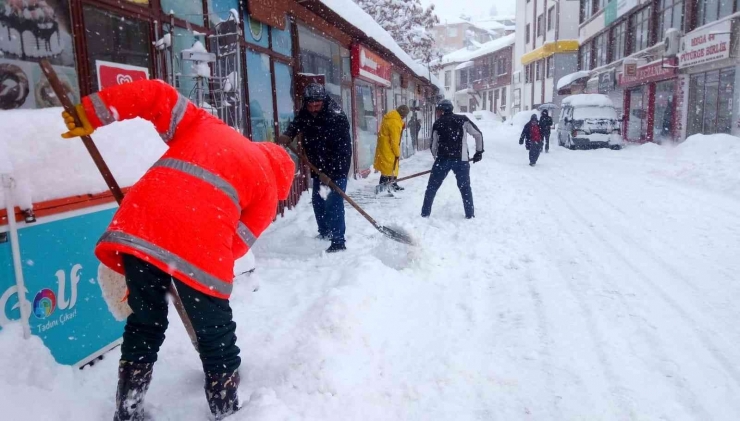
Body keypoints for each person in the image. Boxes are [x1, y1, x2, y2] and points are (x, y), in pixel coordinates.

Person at [59, 80, 295, 420]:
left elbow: (156, 95)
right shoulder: (270, 191)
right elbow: (236, 245)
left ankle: (128, 409)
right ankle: (226, 410)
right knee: (216, 336)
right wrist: (193, 275)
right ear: (283, 180)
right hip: (199, 247)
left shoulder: (210, 127)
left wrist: (94, 110)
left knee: (144, 323)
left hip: (140, 226)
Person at [279, 84, 352, 253]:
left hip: (336, 167)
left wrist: (331, 173)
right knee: (319, 201)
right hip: (318, 167)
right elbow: (298, 122)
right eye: (310, 105)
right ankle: (324, 231)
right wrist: (289, 133)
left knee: (334, 203)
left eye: (317, 105)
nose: (313, 109)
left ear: (324, 101)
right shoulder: (307, 112)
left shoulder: (336, 117)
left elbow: (342, 150)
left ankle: (338, 240)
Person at [421, 99, 484, 219]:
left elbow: (433, 145)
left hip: (442, 160)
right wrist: (479, 152)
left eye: (438, 110)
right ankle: (469, 214)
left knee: (432, 187)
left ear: (443, 110)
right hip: (461, 160)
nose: (437, 113)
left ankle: (425, 213)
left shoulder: (438, 123)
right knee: (465, 187)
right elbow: (478, 134)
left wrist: (437, 158)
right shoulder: (462, 119)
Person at [374, 105, 410, 192]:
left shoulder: (390, 118)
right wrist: (397, 153)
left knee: (389, 168)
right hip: (389, 149)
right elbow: (394, 141)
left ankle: (392, 184)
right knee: (389, 168)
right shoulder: (395, 122)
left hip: (384, 147)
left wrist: (402, 124)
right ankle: (382, 187)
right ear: (403, 115)